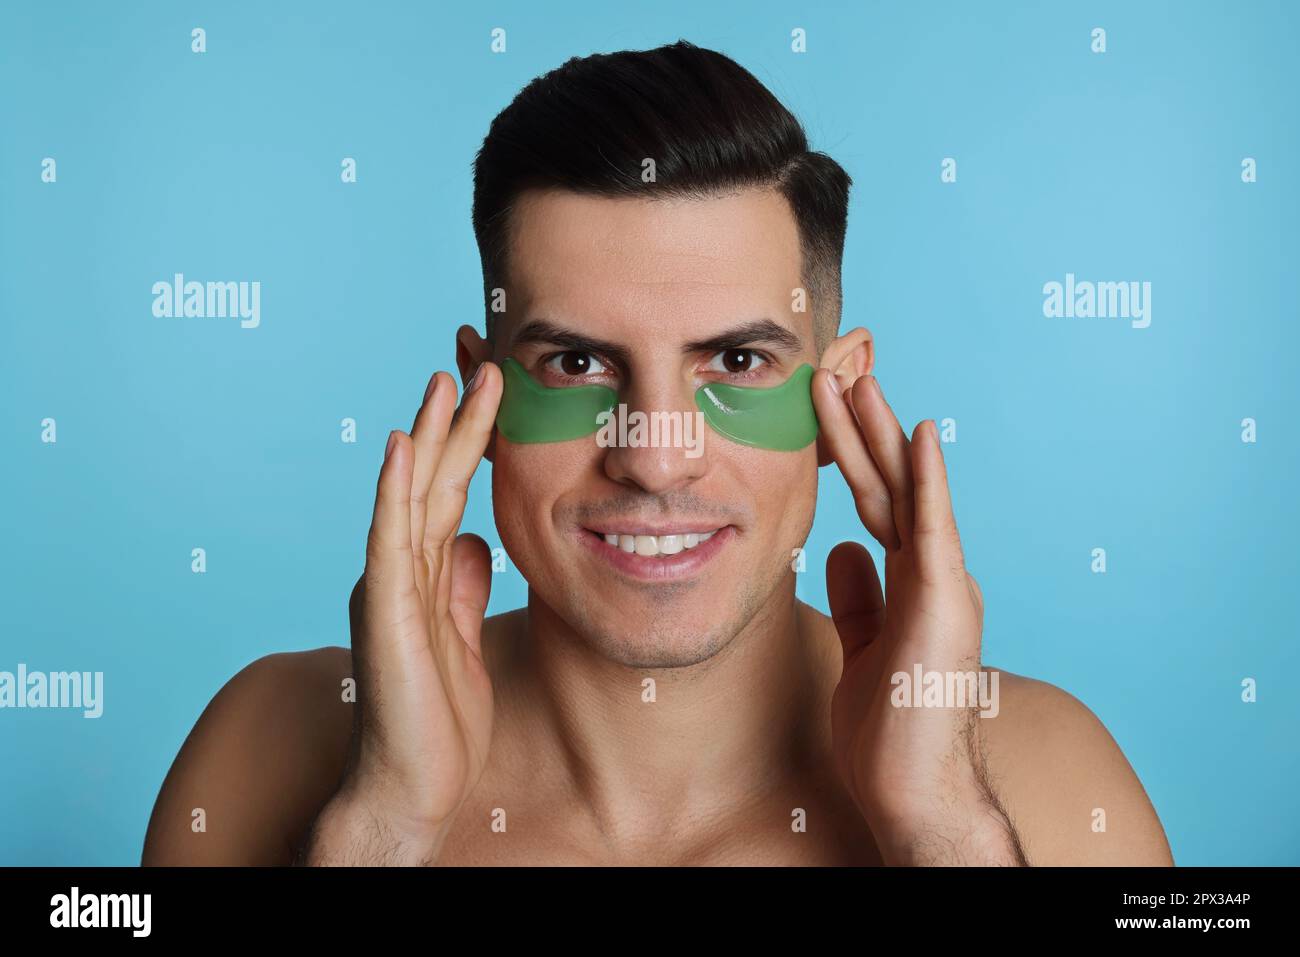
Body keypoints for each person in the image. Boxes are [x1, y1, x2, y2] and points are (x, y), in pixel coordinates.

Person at [142, 40, 1173, 866]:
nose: (656, 458)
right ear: (482, 397)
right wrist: (381, 831)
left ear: (839, 399)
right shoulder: (272, 745)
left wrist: (940, 829)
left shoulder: (1042, 780)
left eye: (735, 358)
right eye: (578, 362)